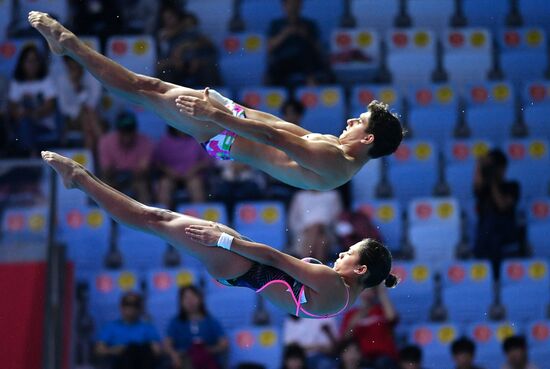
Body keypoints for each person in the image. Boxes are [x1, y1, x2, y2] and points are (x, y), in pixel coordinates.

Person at [28, 11, 404, 191]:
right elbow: (277, 128)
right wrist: (227, 110)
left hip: (223, 131)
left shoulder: (335, 161)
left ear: (368, 139)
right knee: (142, 89)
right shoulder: (338, 152)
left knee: (141, 89)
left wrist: (218, 115)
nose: (351, 122)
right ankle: (70, 49)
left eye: (359, 122)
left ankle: (69, 46)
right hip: (230, 119)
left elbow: (272, 139)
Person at [41, 151, 399, 319]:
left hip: (238, 263)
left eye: (348, 253)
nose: (341, 254)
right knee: (156, 219)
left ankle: (80, 179)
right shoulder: (342, 296)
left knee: (153, 219)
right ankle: (82, 179)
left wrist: (222, 241)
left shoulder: (334, 284)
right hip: (240, 269)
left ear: (361, 269)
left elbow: (275, 258)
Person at [473, 148, 521, 280]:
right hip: (486, 236)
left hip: (505, 232)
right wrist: (479, 165)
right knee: (488, 228)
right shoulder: (483, 189)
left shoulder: (513, 186)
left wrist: (493, 182)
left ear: (502, 168)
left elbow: (502, 206)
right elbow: (477, 186)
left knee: (493, 224)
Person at [8, 44, 58, 156]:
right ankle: (30, 153)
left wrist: (31, 113)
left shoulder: (46, 80)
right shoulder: (16, 82)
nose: (32, 65)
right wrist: (21, 113)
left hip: (43, 125)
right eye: (28, 61)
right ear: (22, 63)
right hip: (22, 123)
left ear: (40, 63)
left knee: (25, 119)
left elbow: (50, 106)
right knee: (23, 122)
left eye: (35, 61)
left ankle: (28, 155)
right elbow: (12, 107)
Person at [266, 0, 329, 86]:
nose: (293, 8)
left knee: (304, 53)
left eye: (296, 4)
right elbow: (269, 49)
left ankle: (312, 85)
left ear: (300, 5)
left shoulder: (309, 24)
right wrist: (285, 34)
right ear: (284, 6)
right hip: (283, 61)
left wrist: (306, 36)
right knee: (272, 68)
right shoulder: (276, 24)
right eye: (290, 4)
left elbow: (319, 50)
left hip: (307, 61)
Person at [164, 285, 228, 369]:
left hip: (206, 360)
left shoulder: (210, 321)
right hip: (183, 360)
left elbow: (224, 343)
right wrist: (174, 355)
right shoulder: (175, 322)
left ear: (200, 299)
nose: (190, 301)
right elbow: (167, 345)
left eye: (193, 296)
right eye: (186, 298)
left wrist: (208, 351)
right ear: (181, 302)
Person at [95, 292, 161, 369]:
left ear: (140, 308)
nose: (131, 308)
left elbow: (157, 351)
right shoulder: (110, 327)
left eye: (135, 305)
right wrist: (112, 350)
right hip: (119, 363)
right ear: (121, 307)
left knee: (136, 349)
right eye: (127, 304)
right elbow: (98, 350)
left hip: (142, 362)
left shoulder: (147, 327)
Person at [98, 111, 154, 204]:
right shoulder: (105, 142)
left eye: (130, 130)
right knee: (105, 184)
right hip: (114, 179)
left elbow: (143, 169)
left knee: (142, 185)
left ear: (135, 130)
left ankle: (146, 217)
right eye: (124, 131)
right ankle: (109, 217)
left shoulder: (145, 141)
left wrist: (129, 175)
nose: (127, 135)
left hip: (135, 180)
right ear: (118, 130)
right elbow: (106, 170)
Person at [339, 285, 399, 369]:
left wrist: (382, 294)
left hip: (383, 356)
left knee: (382, 363)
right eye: (363, 290)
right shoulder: (351, 314)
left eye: (370, 290)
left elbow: (392, 318)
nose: (366, 293)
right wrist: (354, 322)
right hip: (361, 357)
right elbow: (345, 338)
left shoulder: (381, 310)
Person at [154, 126, 211, 207]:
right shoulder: (164, 141)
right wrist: (169, 171)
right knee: (164, 185)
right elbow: (158, 163)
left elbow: (206, 162)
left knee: (195, 184)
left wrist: (193, 170)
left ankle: (199, 216)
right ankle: (162, 217)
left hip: (192, 176)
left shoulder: (197, 139)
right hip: (171, 177)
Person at [55, 56, 102, 153]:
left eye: (76, 64)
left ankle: (89, 160)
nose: (74, 68)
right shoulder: (62, 80)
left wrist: (78, 87)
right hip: (71, 120)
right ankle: (106, 148)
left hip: (90, 117)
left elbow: (92, 104)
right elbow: (63, 107)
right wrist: (78, 112)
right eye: (71, 66)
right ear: (66, 65)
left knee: (88, 127)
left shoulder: (93, 77)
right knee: (88, 118)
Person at [288, 189, 343, 262]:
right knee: (320, 238)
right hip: (304, 234)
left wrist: (321, 227)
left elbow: (338, 219)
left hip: (327, 231)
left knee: (319, 233)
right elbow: (293, 221)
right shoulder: (300, 196)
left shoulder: (332, 195)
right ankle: (319, 269)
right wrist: (307, 229)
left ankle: (304, 266)